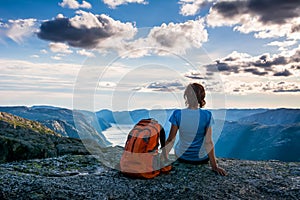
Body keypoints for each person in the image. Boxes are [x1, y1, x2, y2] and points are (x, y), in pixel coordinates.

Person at [164, 83, 227, 176]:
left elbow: (170, 139)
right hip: (201, 159)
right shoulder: (207, 115)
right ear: (201, 97)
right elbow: (208, 142)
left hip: (182, 156)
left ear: (186, 96)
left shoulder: (177, 114)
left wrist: (163, 158)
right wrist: (214, 166)